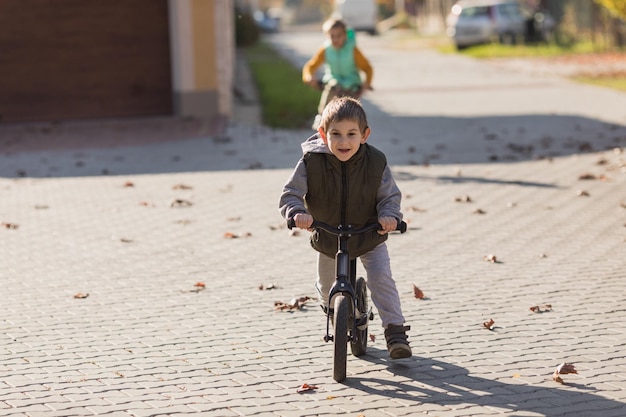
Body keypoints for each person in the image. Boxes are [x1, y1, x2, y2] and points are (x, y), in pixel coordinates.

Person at [279, 97, 411, 359]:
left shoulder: (375, 162)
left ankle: (395, 331)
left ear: (365, 135)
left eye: (351, 134)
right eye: (335, 134)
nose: (343, 142)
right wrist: (296, 213)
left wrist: (389, 217)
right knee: (327, 285)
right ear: (322, 133)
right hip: (329, 235)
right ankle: (334, 309)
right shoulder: (311, 162)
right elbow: (291, 193)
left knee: (381, 278)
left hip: (369, 233)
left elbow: (389, 196)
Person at [302, 18, 373, 129]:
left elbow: (367, 68)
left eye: (339, 35)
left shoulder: (352, 50)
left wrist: (367, 82)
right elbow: (311, 65)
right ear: (326, 36)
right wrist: (309, 77)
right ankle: (321, 117)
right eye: (331, 36)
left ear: (345, 35)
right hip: (333, 81)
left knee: (352, 109)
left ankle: (358, 127)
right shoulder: (326, 49)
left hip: (351, 83)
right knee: (329, 92)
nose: (335, 39)